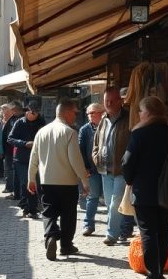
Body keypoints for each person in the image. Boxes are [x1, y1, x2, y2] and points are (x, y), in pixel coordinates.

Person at [122, 96, 168, 279]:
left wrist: (130, 180)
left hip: (143, 192)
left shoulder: (138, 135)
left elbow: (127, 163)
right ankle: (159, 271)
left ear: (149, 113)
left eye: (141, 111)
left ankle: (153, 275)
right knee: (163, 231)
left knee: (148, 232)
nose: (138, 114)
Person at [28, 99, 89, 261]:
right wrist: (84, 180)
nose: (76, 116)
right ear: (67, 112)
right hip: (67, 182)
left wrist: (30, 178)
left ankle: (51, 237)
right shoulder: (70, 132)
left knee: (48, 212)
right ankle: (66, 245)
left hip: (46, 181)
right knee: (68, 214)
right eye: (75, 112)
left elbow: (34, 157)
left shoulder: (41, 132)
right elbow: (75, 159)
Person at [92, 87, 131, 246]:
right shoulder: (103, 119)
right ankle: (121, 230)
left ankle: (111, 235)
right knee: (109, 203)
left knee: (115, 202)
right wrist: (96, 157)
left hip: (121, 170)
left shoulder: (128, 119)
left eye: (112, 100)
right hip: (105, 169)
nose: (108, 103)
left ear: (120, 101)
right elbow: (96, 142)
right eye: (106, 100)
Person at [8, 101, 45, 218]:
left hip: (37, 158)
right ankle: (28, 207)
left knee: (36, 184)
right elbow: (10, 139)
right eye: (31, 112)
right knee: (25, 183)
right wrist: (24, 143)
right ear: (27, 111)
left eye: (36, 113)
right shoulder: (19, 122)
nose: (33, 115)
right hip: (21, 159)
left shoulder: (41, 121)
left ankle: (31, 208)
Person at [79, 102, 104, 236]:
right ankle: (88, 225)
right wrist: (85, 167)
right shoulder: (84, 129)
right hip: (92, 170)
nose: (89, 115)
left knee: (112, 199)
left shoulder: (107, 126)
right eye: (88, 113)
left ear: (101, 113)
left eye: (92, 113)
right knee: (92, 197)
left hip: (107, 169)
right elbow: (81, 149)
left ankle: (116, 228)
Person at [1, 101, 21, 197]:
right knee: (8, 169)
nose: (5, 113)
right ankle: (10, 187)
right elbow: (5, 135)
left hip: (17, 149)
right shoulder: (12, 119)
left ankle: (14, 189)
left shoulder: (20, 120)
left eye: (9, 110)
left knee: (13, 169)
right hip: (9, 149)